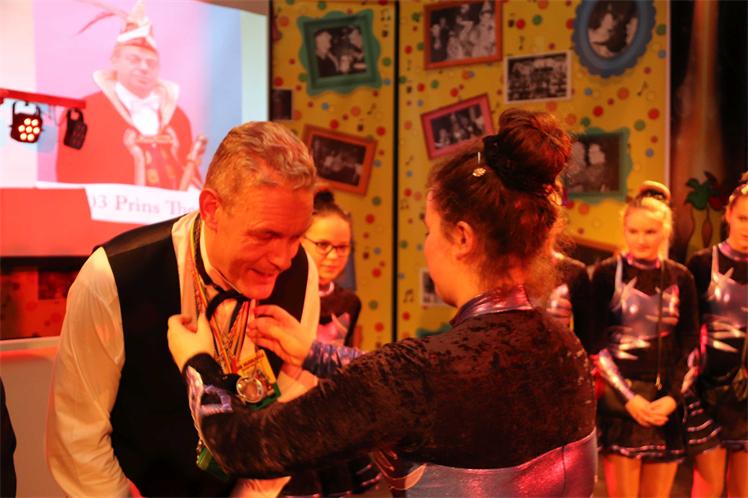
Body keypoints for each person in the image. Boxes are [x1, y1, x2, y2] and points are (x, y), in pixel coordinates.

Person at [168, 108, 598, 497]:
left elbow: (242, 445)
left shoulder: (420, 374)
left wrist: (199, 364)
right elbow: (414, 386)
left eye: (429, 230)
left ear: (462, 238)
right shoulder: (566, 348)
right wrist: (314, 353)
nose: (427, 247)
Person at [46, 121, 320, 497]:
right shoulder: (113, 276)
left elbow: (287, 417)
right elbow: (78, 438)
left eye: (297, 236)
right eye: (266, 235)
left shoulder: (303, 270)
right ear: (212, 209)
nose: (284, 259)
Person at [590, 181, 699, 498]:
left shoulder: (681, 277)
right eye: (633, 231)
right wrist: (629, 398)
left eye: (650, 232)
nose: (641, 239)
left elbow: (691, 342)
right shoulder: (606, 273)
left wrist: (674, 397)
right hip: (621, 402)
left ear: (665, 231)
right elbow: (595, 344)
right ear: (624, 230)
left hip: (665, 401)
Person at [280, 189, 381, 496]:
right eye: (323, 245)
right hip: (289, 412)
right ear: (301, 241)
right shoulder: (283, 296)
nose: (334, 255)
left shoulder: (349, 301)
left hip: (331, 413)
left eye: (342, 247)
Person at [56, 0, 205, 189]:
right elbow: (69, 176)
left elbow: (190, 176)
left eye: (151, 63)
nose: (143, 67)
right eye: (134, 59)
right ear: (115, 60)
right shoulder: (82, 113)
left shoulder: (177, 118)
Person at [685, 174, 748, 498]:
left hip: (746, 393)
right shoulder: (701, 263)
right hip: (707, 390)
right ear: (728, 215)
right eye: (744, 218)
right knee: (708, 486)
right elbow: (686, 331)